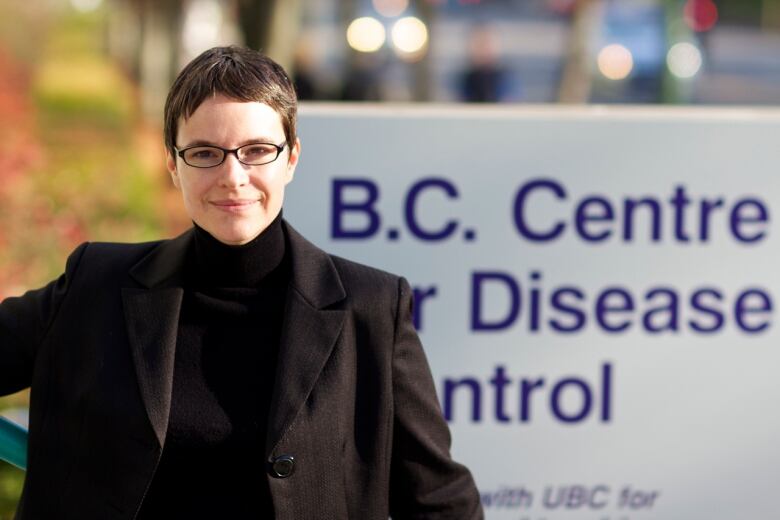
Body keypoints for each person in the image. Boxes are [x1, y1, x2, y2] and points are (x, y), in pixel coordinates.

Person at [0, 46, 483, 519]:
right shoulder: (95, 283)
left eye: (256, 151)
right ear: (173, 164)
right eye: (205, 152)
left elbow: (438, 498)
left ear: (291, 158)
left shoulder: (372, 308)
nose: (233, 176)